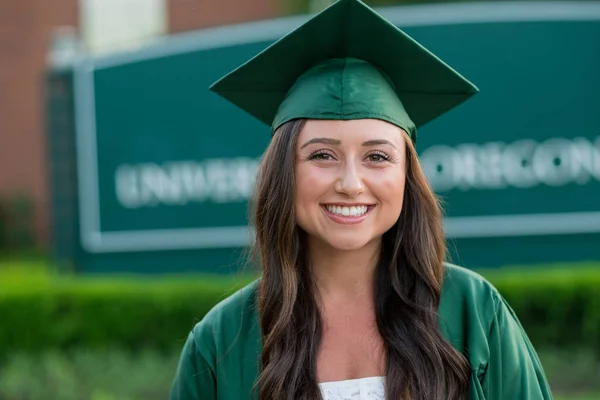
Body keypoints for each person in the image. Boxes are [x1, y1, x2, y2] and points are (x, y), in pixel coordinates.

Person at [170, 0, 553, 399]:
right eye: (322, 155)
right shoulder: (221, 340)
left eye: (377, 157)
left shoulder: (474, 311)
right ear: (283, 172)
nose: (351, 184)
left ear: (407, 175)